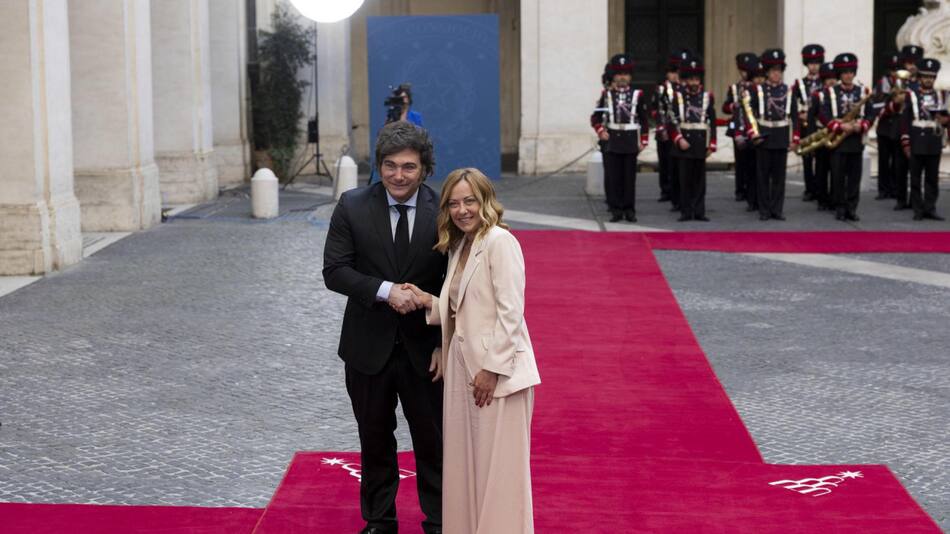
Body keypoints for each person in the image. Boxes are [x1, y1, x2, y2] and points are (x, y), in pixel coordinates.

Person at [323, 121, 447, 534]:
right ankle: (379, 521)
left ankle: (440, 520)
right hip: (367, 349)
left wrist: (445, 341)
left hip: (427, 350)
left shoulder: (446, 210)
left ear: (424, 169)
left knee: (433, 442)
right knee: (374, 439)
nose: (398, 175)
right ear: (378, 166)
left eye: (409, 167)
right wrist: (384, 291)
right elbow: (335, 271)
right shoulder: (352, 205)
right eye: (390, 165)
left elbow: (458, 281)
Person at [405, 168, 541, 534]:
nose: (462, 210)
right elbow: (465, 307)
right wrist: (428, 303)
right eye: (453, 203)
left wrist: (492, 369)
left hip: (499, 376)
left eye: (469, 201)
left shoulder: (500, 242)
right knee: (466, 470)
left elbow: (511, 312)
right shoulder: (461, 245)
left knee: (501, 477)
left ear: (485, 201)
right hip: (462, 370)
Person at [591, 54, 650, 222]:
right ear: (614, 76)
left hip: (630, 139)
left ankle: (629, 209)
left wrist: (644, 140)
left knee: (629, 178)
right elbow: (595, 118)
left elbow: (643, 119)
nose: (622, 77)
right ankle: (616, 209)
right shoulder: (607, 95)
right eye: (619, 74)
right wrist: (601, 130)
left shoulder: (638, 95)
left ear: (630, 76)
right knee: (614, 177)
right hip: (612, 140)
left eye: (625, 74)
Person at [819, 53, 875, 222]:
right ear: (839, 74)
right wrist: (839, 126)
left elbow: (871, 113)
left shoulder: (863, 91)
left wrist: (863, 125)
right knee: (838, 176)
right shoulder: (830, 92)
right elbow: (823, 114)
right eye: (844, 72)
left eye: (851, 72)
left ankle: (852, 208)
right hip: (839, 141)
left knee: (854, 177)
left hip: (856, 140)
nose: (848, 75)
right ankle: (840, 208)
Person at [748, 48, 800, 221]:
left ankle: (777, 209)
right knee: (762, 176)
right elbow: (749, 112)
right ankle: (764, 210)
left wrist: (795, 138)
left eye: (779, 70)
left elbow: (794, 116)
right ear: (767, 72)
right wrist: (752, 133)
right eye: (773, 71)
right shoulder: (758, 90)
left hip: (781, 136)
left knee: (779, 177)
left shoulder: (789, 90)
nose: (776, 74)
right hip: (764, 135)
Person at [900, 57, 948, 221]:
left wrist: (946, 121)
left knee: (932, 178)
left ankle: (930, 208)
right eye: (925, 76)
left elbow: (947, 117)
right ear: (920, 77)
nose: (928, 79)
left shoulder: (942, 95)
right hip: (916, 139)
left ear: (934, 78)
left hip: (934, 139)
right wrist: (906, 142)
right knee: (915, 178)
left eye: (931, 76)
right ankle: (917, 209)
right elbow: (905, 121)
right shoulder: (911, 95)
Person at [669, 56, 717, 222]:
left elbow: (712, 121)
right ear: (686, 80)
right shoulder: (678, 97)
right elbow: (672, 122)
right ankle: (685, 211)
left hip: (700, 143)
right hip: (684, 143)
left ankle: (699, 211)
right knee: (685, 180)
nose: (694, 82)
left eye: (696, 79)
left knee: (699, 181)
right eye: (691, 79)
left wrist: (712, 144)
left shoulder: (707, 97)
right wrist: (678, 139)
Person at [652, 50, 688, 205]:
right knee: (665, 161)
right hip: (666, 130)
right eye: (672, 72)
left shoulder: (685, 88)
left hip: (681, 130)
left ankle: (679, 192)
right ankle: (665, 190)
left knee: (678, 163)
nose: (674, 76)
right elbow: (656, 109)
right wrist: (661, 128)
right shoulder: (662, 88)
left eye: (677, 72)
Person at [723, 52, 758, 203]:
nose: (744, 74)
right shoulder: (734, 88)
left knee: (753, 160)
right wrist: (733, 105)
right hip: (738, 125)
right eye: (742, 71)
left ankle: (751, 189)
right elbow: (725, 107)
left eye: (746, 71)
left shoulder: (757, 88)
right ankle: (739, 189)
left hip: (752, 126)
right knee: (740, 160)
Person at [791, 44, 825, 201]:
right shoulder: (800, 84)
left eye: (817, 63)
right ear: (806, 64)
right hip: (805, 125)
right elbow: (792, 104)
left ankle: (820, 188)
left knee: (821, 158)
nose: (814, 66)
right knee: (806, 158)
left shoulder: (825, 82)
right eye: (811, 63)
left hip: (821, 125)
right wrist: (800, 114)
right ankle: (809, 188)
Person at [874, 53, 904, 202]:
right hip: (885, 126)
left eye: (898, 69)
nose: (895, 72)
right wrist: (891, 103)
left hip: (899, 127)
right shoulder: (882, 83)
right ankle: (883, 189)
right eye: (893, 69)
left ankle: (895, 189)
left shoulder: (905, 83)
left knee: (898, 161)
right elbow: (876, 105)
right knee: (883, 160)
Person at [809, 61, 838, 211]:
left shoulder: (841, 94)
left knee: (836, 168)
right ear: (823, 80)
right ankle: (822, 199)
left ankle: (835, 198)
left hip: (838, 134)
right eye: (828, 78)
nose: (831, 80)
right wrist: (813, 138)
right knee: (821, 168)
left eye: (834, 77)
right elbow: (811, 117)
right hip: (822, 134)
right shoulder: (818, 95)